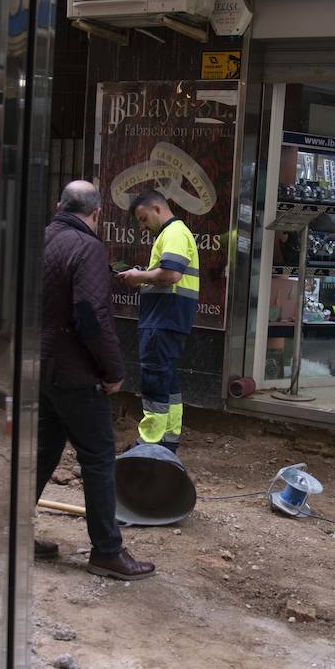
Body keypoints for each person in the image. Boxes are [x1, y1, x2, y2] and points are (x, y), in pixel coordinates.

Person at [37, 181, 154, 580]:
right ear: (97, 213)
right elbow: (90, 316)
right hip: (76, 373)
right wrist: (113, 371)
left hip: (40, 367)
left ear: (59, 205)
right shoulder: (86, 247)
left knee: (40, 453)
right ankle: (107, 551)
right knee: (99, 460)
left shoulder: (40, 240)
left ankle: (11, 532)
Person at [115, 189, 200, 454]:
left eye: (143, 219)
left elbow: (172, 274)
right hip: (171, 318)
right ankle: (168, 440)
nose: (142, 226)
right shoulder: (176, 233)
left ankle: (149, 443)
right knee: (167, 380)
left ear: (158, 209)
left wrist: (139, 277)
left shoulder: (173, 233)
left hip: (163, 318)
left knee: (154, 378)